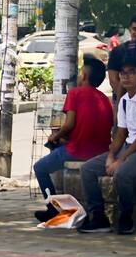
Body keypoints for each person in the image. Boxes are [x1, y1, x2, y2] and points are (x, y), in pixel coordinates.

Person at [77, 59, 136, 234]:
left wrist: (121, 160)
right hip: (128, 146)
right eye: (122, 73)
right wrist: (111, 156)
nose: (126, 77)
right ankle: (98, 217)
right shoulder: (124, 100)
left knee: (121, 174)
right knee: (87, 169)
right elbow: (121, 134)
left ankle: (126, 218)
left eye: (131, 72)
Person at [33, 57, 113, 222]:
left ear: (83, 75)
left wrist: (56, 135)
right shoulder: (105, 99)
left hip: (78, 150)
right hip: (101, 151)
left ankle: (53, 208)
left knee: (40, 167)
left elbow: (69, 124)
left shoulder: (75, 93)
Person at [107, 14, 136, 101]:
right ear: (129, 29)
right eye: (135, 29)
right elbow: (113, 80)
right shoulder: (118, 51)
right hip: (122, 99)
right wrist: (127, 98)